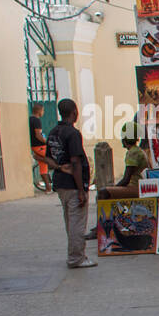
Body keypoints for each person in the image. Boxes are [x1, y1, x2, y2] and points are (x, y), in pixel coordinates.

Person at [45, 99, 96, 268]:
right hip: (73, 185)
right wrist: (81, 190)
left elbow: (47, 159)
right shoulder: (72, 134)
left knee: (70, 220)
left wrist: (59, 167)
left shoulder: (53, 132)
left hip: (60, 183)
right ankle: (76, 258)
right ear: (74, 112)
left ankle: (75, 254)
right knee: (77, 223)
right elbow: (75, 162)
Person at [29, 103, 51, 192]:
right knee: (51, 158)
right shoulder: (37, 121)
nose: (43, 112)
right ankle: (37, 157)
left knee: (43, 168)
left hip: (34, 146)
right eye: (43, 110)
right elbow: (38, 135)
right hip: (40, 146)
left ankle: (48, 188)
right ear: (39, 111)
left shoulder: (30, 119)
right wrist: (47, 142)